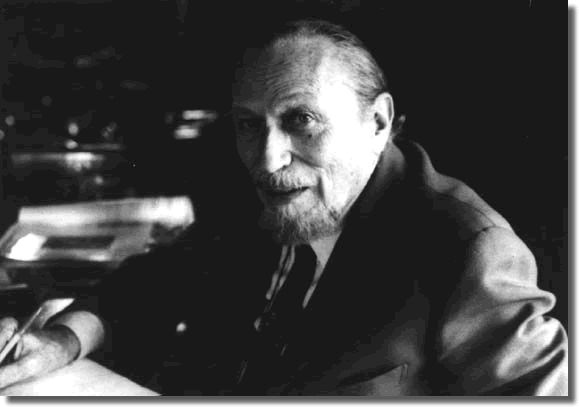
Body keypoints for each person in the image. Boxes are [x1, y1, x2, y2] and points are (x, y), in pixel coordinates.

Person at [0, 19, 568, 396]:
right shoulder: (256, 195)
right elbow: (158, 281)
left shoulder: (464, 247)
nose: (268, 160)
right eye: (249, 125)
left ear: (378, 122)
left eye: (302, 120)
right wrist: (60, 341)